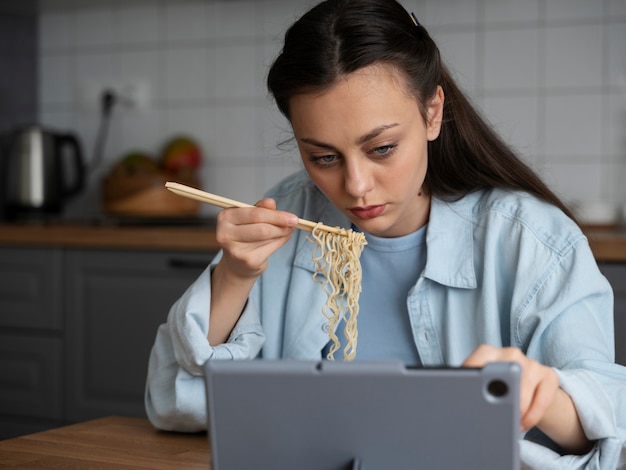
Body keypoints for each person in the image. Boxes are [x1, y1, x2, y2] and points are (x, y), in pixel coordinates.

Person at [145, 0, 626, 467]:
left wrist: (539, 394)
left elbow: (612, 426)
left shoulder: (530, 239)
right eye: (324, 157)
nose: (356, 187)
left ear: (433, 112)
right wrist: (233, 277)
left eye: (382, 148)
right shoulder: (284, 218)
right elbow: (172, 404)